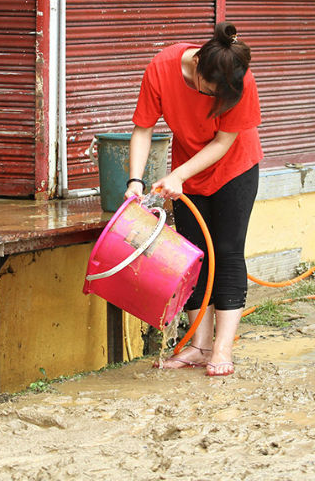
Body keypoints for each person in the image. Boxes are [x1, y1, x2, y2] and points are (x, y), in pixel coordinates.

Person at [124, 22, 263, 377]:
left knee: (228, 252)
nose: (217, 100)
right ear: (198, 67)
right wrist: (135, 182)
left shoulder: (240, 81)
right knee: (192, 256)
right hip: (186, 173)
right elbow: (143, 128)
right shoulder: (162, 68)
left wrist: (178, 176)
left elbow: (223, 142)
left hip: (234, 168)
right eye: (212, 93)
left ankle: (222, 348)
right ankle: (199, 346)